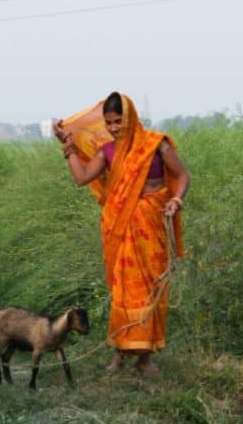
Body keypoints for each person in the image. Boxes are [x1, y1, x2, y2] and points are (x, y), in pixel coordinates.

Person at [54, 91, 189, 374]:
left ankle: (144, 358)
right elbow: (81, 178)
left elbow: (182, 176)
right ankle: (118, 353)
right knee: (123, 292)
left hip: (152, 227)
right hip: (120, 229)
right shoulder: (107, 151)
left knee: (151, 290)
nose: (114, 128)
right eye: (109, 122)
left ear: (131, 118)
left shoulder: (156, 145)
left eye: (118, 121)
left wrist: (176, 199)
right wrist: (68, 148)